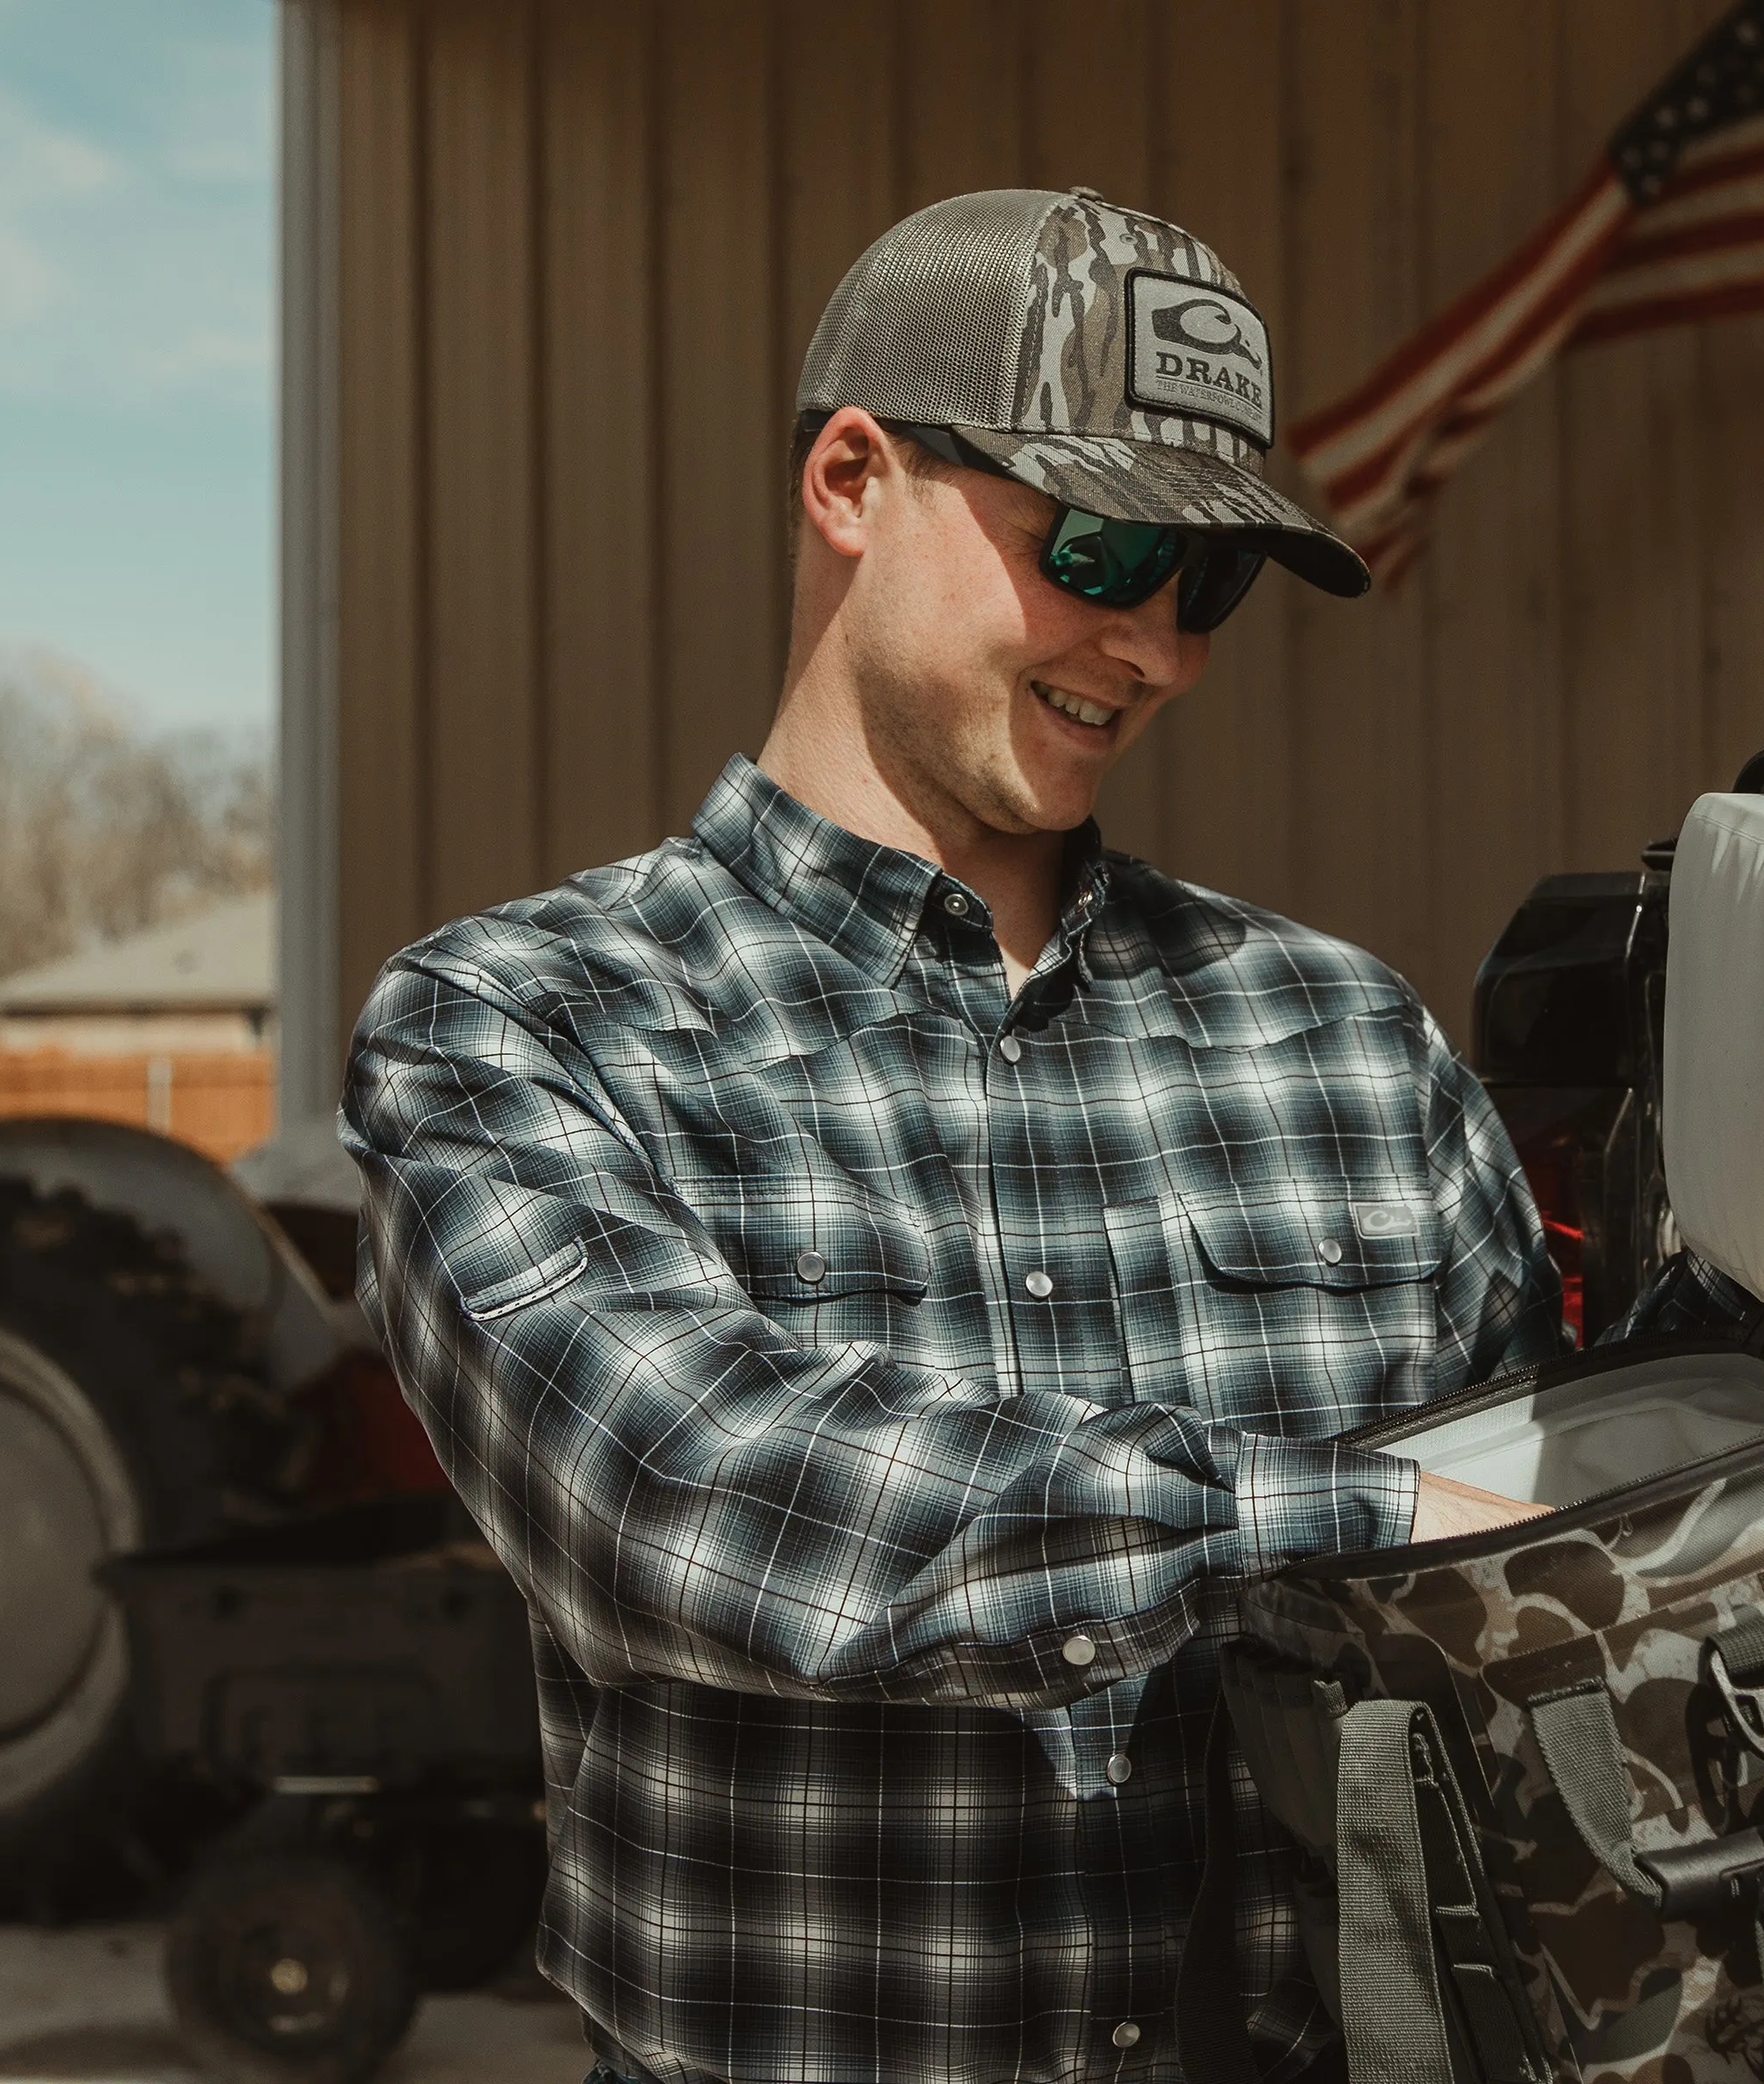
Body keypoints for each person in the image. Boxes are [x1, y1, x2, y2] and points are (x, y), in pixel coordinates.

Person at [343, 189, 1561, 2084]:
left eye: (1208, 583)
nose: (1155, 646)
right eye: (1101, 544)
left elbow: (1542, 1612)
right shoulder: (525, 1024)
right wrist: (1354, 1515)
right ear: (851, 478)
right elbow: (688, 1497)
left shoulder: (1347, 1039)